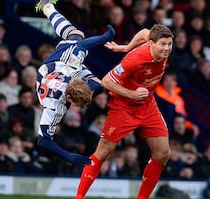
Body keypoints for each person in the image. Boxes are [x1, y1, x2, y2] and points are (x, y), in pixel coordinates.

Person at [74, 23, 174, 199]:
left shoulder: (157, 45)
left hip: (148, 105)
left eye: (169, 44)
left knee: (163, 153)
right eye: (163, 44)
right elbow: (106, 82)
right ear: (152, 43)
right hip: (123, 107)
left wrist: (126, 46)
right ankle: (79, 197)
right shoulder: (134, 60)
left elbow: (144, 32)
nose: (167, 48)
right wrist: (132, 94)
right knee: (103, 152)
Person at [34, 0, 115, 167]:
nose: (79, 107)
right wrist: (70, 156)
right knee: (98, 85)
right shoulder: (56, 107)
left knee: (76, 36)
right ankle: (47, 6)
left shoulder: (54, 106)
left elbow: (83, 45)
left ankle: (47, 6)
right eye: (79, 104)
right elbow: (42, 141)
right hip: (57, 73)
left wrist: (105, 37)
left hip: (52, 70)